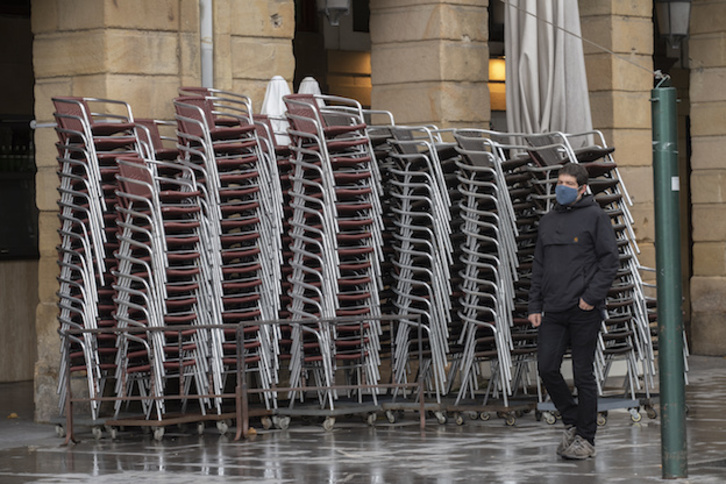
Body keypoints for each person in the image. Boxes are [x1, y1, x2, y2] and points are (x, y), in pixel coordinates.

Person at [527, 162, 619, 460]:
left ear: (582, 188)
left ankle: (586, 438)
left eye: (568, 183)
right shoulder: (548, 221)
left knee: (583, 375)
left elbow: (609, 262)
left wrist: (591, 298)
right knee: (546, 368)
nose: (561, 188)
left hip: (583, 310)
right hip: (552, 309)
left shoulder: (596, 217)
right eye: (559, 182)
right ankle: (572, 420)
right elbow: (539, 266)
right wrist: (534, 305)